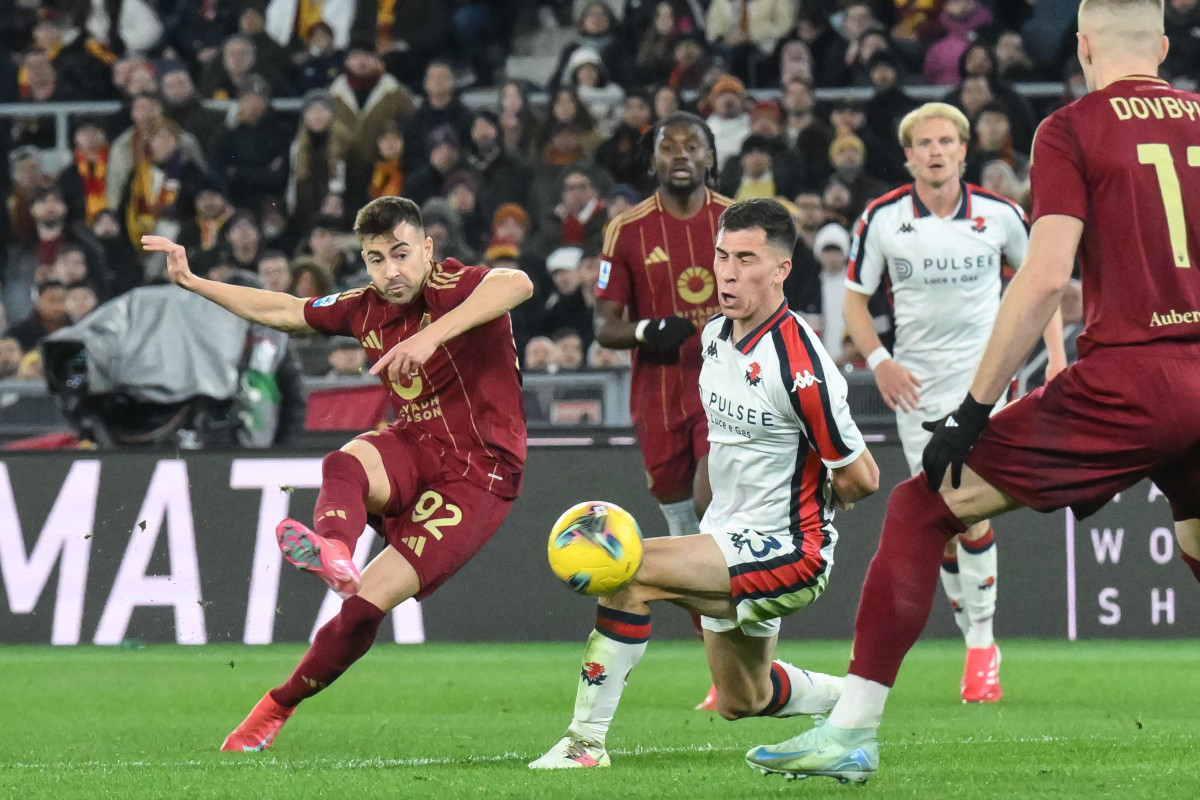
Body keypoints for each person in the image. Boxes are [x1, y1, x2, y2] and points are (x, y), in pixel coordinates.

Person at [747, 0, 1200, 783]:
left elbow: (1045, 277)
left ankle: (851, 730)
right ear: (1162, 46)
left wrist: (974, 409)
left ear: (1083, 48)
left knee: (920, 506)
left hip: (1131, 379)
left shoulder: (1071, 128)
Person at [140, 195, 533, 751]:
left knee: (363, 609)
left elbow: (517, 283)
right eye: (376, 259)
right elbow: (284, 310)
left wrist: (430, 336)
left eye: (401, 254)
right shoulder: (364, 308)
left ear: (427, 249)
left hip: (480, 471)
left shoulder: (454, 285)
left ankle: (275, 707)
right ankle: (335, 552)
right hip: (418, 443)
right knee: (344, 461)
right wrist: (194, 282)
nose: (390, 271)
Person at [530, 198, 879, 769]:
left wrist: (802, 504)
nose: (728, 273)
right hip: (726, 534)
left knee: (626, 569)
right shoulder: (715, 335)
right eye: (722, 256)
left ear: (782, 270)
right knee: (745, 698)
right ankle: (854, 705)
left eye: (746, 258)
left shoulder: (800, 366)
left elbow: (862, 477)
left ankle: (583, 744)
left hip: (789, 549)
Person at [842, 102, 1068, 704]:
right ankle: (976, 641)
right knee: (940, 523)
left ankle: (981, 648)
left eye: (946, 141)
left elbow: (1041, 285)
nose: (936, 151)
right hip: (915, 388)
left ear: (964, 151)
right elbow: (855, 300)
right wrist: (879, 361)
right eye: (925, 143)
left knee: (972, 511)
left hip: (986, 385)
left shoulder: (1000, 215)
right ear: (908, 154)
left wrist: (1055, 360)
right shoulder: (883, 218)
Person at [593, 111, 730, 709]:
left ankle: (740, 661)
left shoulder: (736, 221)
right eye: (668, 146)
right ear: (652, 161)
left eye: (692, 145)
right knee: (683, 532)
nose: (680, 154)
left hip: (725, 389)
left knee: (710, 505)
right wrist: (649, 329)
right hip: (659, 395)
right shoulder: (626, 231)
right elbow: (605, 326)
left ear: (710, 158)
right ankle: (722, 663)